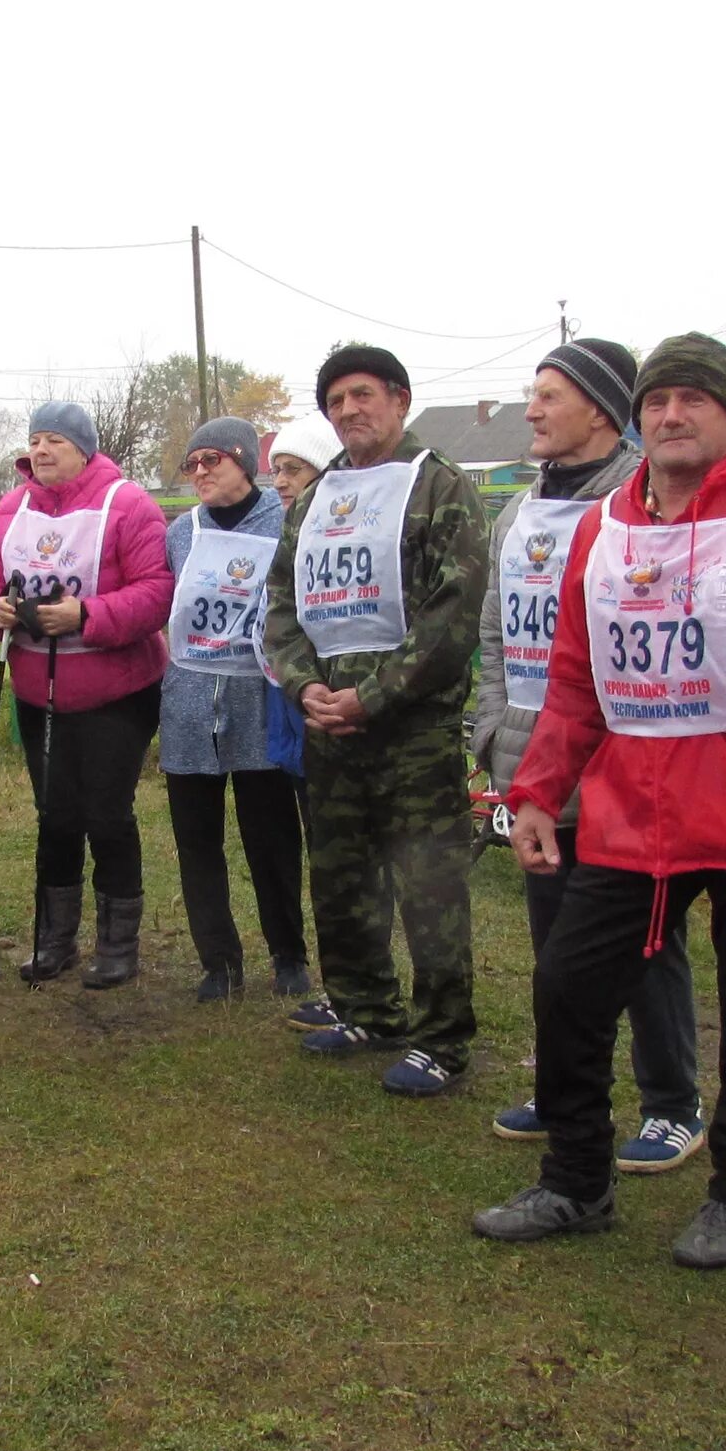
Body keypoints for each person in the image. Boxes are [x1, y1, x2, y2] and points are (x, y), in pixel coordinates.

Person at [471, 332, 726, 1264]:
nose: (672, 414)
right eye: (658, 400)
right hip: (632, 813)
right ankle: (576, 1180)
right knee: (568, 987)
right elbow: (577, 679)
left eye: (694, 398)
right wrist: (537, 791)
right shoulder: (604, 528)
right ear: (636, 417)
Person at [471, 341, 707, 1172]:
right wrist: (495, 727)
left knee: (641, 941)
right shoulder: (518, 512)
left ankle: (674, 1100)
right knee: (555, 940)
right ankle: (569, 1088)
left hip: (623, 759)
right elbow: (497, 633)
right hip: (532, 756)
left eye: (548, 396)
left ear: (603, 411)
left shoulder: (643, 506)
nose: (531, 411)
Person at [263, 345, 491, 1095]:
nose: (349, 411)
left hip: (413, 731)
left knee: (429, 885)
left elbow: (452, 615)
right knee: (341, 877)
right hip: (331, 726)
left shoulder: (440, 488)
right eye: (335, 403)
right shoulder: (317, 497)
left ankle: (443, 1037)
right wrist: (305, 689)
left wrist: (379, 694)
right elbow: (281, 606)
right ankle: (366, 1005)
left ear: (399, 400)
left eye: (362, 396)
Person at [0, 402, 176, 988]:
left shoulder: (128, 503)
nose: (40, 451)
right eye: (34, 440)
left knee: (106, 815)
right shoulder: (12, 508)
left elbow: (156, 591)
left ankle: (118, 945)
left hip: (117, 691)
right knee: (55, 815)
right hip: (39, 691)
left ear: (84, 449)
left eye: (54, 440)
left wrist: (85, 615)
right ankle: (54, 939)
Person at [159, 416, 309, 1002]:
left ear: (245, 463)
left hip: (258, 701)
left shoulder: (285, 522)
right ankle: (218, 960)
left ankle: (289, 954)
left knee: (270, 838)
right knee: (197, 839)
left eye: (211, 461)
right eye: (191, 464)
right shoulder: (181, 532)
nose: (199, 473)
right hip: (192, 705)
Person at [259, 414, 339, 785]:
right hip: (292, 683)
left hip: (340, 690)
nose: (279, 481)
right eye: (276, 470)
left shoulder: (342, 531)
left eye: (292, 469)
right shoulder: (290, 529)